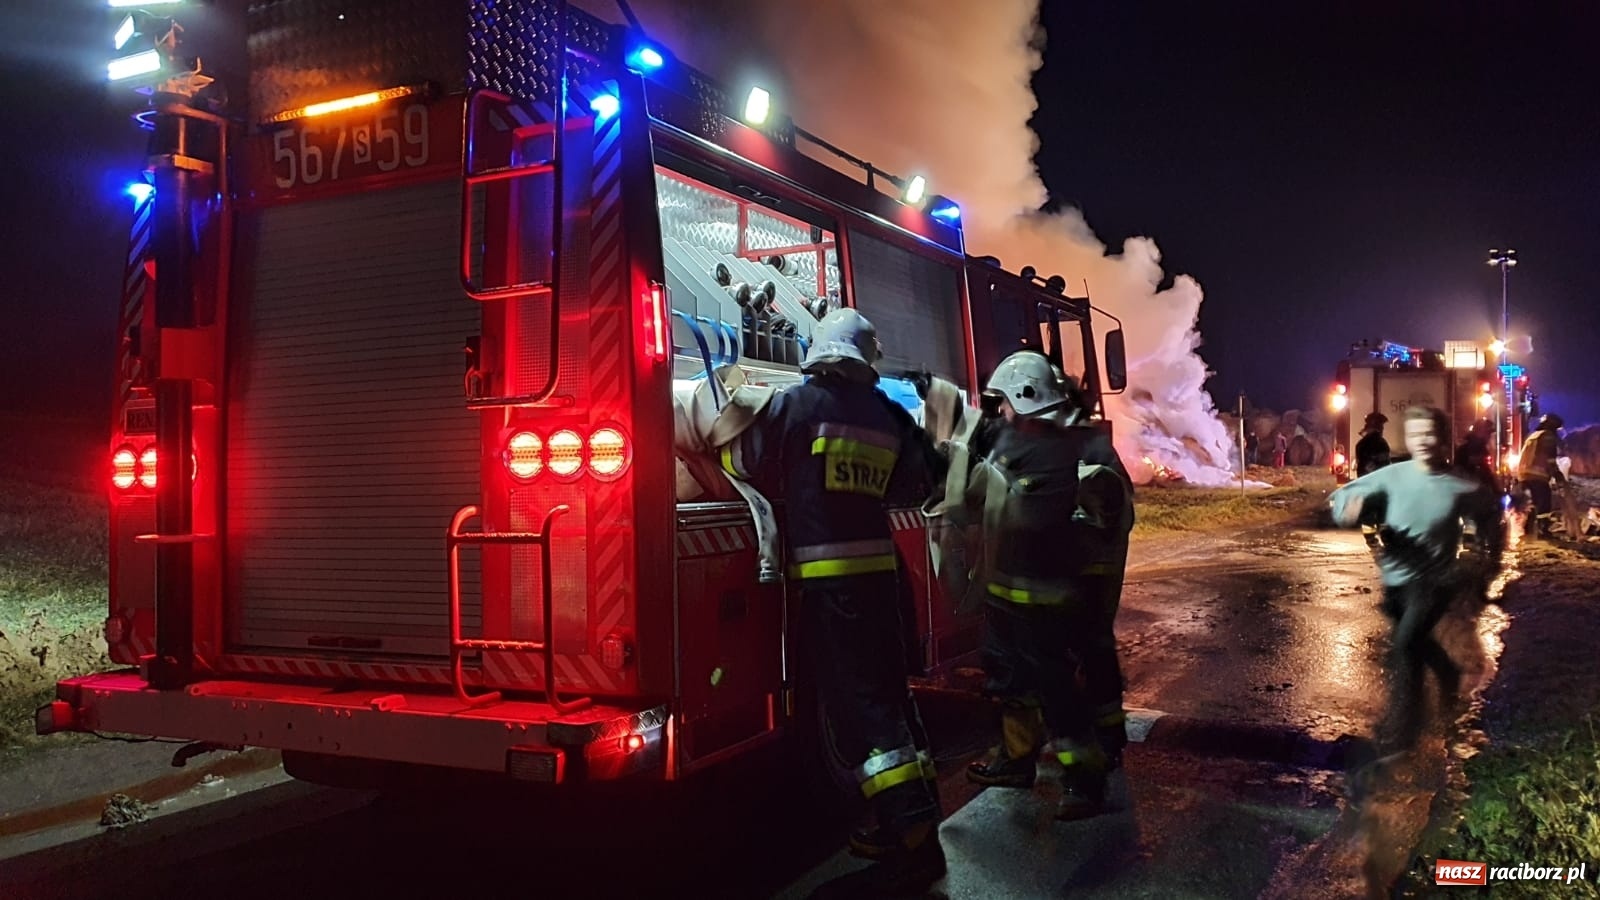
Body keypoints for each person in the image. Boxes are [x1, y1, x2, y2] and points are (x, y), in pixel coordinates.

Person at [718, 307, 946, 897]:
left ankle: (914, 843)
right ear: (864, 359)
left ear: (818, 351)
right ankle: (917, 818)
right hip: (882, 578)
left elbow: (744, 464)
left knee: (862, 713)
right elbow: (918, 483)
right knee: (893, 697)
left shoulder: (796, 405)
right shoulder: (888, 414)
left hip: (830, 584)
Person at [957, 350, 1120, 820]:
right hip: (1008, 594)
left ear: (1026, 398)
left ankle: (1086, 781)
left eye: (1004, 402)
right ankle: (1016, 760)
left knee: (1058, 694)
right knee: (1011, 680)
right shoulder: (1018, 444)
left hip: (1044, 597)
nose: (1000, 412)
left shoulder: (1059, 450)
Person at [1329, 406, 1503, 758]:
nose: (1423, 440)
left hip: (1434, 580)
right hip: (1396, 581)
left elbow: (1493, 517)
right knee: (1417, 639)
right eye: (1416, 433)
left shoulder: (1459, 485)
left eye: (1430, 433)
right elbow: (1343, 495)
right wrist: (1347, 508)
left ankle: (1401, 735)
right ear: (1407, 438)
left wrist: (1485, 563)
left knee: (1405, 646)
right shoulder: (1393, 476)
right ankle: (1449, 675)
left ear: (1442, 439)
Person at [1517, 413, 1567, 540]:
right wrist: (1558, 476)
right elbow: (1550, 459)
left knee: (1533, 502)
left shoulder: (1534, 435)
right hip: (1538, 475)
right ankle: (1543, 530)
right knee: (1544, 503)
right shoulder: (1548, 437)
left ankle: (1528, 530)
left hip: (1524, 474)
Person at [1355, 412, 1392, 476]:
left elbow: (1361, 467)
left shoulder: (1360, 444)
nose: (1382, 428)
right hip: (1378, 480)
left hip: (1365, 480)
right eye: (1381, 426)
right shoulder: (1382, 443)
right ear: (1378, 427)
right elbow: (1385, 466)